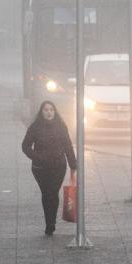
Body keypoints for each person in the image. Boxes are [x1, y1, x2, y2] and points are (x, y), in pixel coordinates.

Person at [21, 101, 77, 237]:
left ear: (55, 111)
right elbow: (25, 146)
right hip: (40, 168)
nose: (49, 112)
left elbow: (68, 145)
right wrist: (37, 157)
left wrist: (73, 164)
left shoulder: (61, 126)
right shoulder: (35, 127)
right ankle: (49, 222)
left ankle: (51, 222)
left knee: (53, 192)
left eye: (51, 109)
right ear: (41, 112)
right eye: (46, 110)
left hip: (58, 166)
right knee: (46, 193)